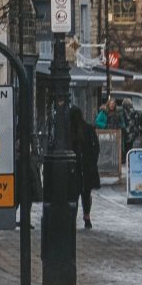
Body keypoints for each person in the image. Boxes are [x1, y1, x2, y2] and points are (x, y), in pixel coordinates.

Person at [61, 96, 103, 229]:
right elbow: (96, 147)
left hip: (74, 167)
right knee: (86, 193)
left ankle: (73, 217)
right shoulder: (89, 128)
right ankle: (86, 217)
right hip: (87, 167)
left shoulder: (69, 131)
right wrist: (92, 162)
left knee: (73, 194)